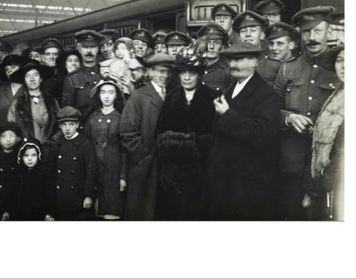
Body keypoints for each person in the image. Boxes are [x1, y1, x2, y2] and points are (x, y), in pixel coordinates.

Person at [273, 6, 341, 220]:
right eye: (306, 32)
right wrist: (288, 118)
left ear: (328, 33)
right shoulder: (287, 68)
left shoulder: (339, 66)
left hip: (325, 163)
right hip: (291, 161)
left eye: (318, 31)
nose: (312, 38)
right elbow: (270, 108)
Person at [206, 42, 280, 220]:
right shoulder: (230, 89)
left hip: (247, 183)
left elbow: (262, 133)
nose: (233, 65)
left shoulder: (266, 94)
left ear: (255, 61)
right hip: (226, 180)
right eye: (231, 60)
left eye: (239, 60)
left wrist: (227, 114)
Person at [155, 54, 216, 220]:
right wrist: (178, 144)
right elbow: (160, 133)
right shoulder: (171, 97)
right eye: (183, 73)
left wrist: (191, 145)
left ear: (200, 75)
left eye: (192, 73)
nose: (187, 77)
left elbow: (215, 136)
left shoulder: (212, 97)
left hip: (200, 171)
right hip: (172, 172)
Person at [119, 52, 175, 220]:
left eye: (167, 72)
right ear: (149, 72)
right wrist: (143, 157)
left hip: (168, 164)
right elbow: (127, 131)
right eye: (160, 71)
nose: (164, 76)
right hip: (145, 165)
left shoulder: (175, 93)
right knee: (143, 211)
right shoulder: (139, 96)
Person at [308, 45, 344, 221]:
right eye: (340, 60)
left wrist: (327, 180)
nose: (344, 66)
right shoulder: (340, 92)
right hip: (328, 180)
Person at [84, 79, 127, 220]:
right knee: (94, 209)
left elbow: (125, 149)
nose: (106, 96)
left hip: (113, 168)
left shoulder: (120, 118)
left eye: (111, 92)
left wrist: (123, 176)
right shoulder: (92, 117)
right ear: (98, 95)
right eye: (103, 92)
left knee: (111, 210)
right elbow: (86, 143)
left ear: (116, 96)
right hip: (94, 166)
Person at [47, 106, 97, 220]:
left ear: (78, 125)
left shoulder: (85, 144)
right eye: (64, 125)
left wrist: (88, 195)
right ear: (59, 126)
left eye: (71, 124)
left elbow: (91, 172)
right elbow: (51, 175)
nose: (67, 128)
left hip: (79, 199)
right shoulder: (56, 144)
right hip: (60, 200)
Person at [8, 60, 59, 144]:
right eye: (27, 76)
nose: (32, 79)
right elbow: (11, 127)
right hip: (28, 150)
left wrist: (52, 142)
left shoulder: (51, 101)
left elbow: (60, 124)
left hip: (49, 148)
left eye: (35, 75)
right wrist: (22, 143)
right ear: (24, 80)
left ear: (41, 78)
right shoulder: (17, 103)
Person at [7, 137, 54, 221]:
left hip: (38, 214)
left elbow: (49, 195)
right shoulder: (17, 174)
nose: (30, 159)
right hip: (20, 214)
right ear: (21, 157)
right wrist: (8, 211)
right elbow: (11, 196)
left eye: (33, 155)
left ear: (39, 155)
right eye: (26, 155)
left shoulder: (43, 174)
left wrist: (48, 213)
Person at [61, 30, 103, 122]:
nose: (89, 51)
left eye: (92, 46)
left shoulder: (105, 73)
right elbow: (67, 112)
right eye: (85, 47)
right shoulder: (72, 78)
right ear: (79, 48)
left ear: (98, 48)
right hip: (83, 130)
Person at [258, 21, 299, 87]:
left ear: (291, 45)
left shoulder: (299, 66)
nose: (274, 48)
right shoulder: (263, 66)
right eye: (271, 44)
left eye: (279, 44)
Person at [197, 23, 232, 96]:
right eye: (208, 42)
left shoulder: (227, 72)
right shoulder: (195, 68)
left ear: (222, 46)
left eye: (216, 43)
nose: (211, 47)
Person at [0, 54, 27, 123]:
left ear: (21, 68)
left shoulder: (28, 88)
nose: (9, 70)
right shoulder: (1, 90)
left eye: (13, 67)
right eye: (7, 69)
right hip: (5, 131)